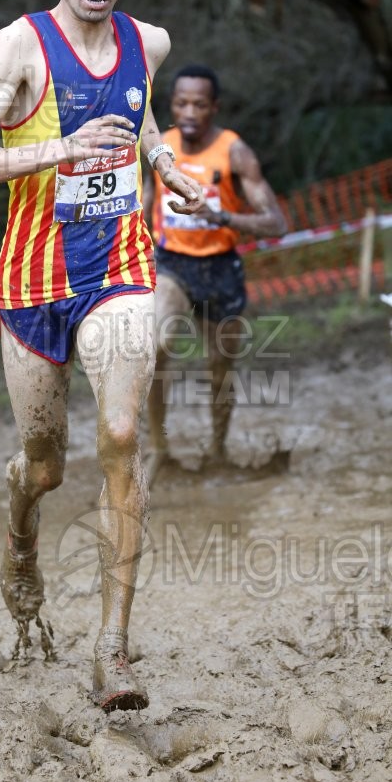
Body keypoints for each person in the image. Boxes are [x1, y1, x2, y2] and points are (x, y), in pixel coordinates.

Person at [0, 0, 203, 712]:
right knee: (46, 463)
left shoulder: (148, 43)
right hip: (32, 282)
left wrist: (165, 161)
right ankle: (20, 528)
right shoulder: (19, 47)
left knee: (123, 436)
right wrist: (59, 147)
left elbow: (142, 114)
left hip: (121, 267)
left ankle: (112, 650)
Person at [143, 64, 288, 484]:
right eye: (181, 103)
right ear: (171, 106)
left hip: (221, 268)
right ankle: (160, 449)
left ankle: (218, 451)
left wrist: (219, 214)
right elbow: (144, 199)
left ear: (214, 108)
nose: (189, 112)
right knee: (154, 347)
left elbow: (276, 222)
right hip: (171, 264)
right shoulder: (159, 148)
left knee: (220, 365)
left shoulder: (234, 152)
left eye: (199, 104)